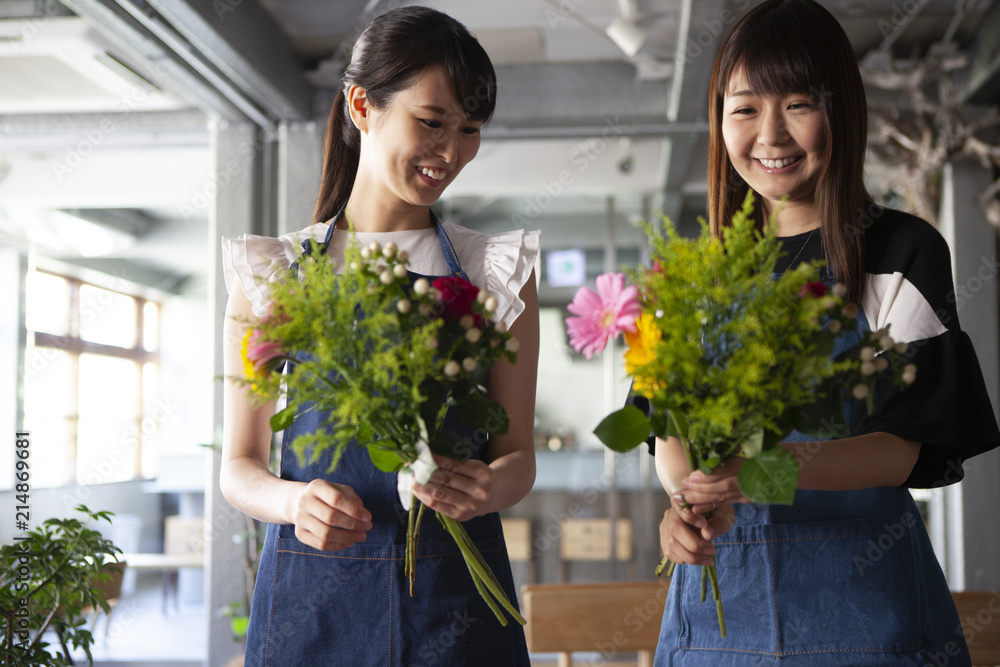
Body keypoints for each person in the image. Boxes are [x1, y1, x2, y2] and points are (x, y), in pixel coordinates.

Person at [653, 1, 1000, 664]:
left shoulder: (900, 252)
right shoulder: (699, 273)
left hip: (869, 613)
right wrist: (684, 503)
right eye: (745, 107)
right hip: (721, 621)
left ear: (841, 110)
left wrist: (758, 472)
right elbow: (670, 432)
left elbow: (901, 448)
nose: (771, 135)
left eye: (799, 104)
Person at [219, 7, 538, 665]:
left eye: (470, 129)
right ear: (362, 104)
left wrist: (486, 486)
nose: (451, 151)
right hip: (313, 605)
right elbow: (239, 465)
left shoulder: (495, 271)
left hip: (458, 605)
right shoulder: (273, 273)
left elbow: (518, 456)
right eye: (431, 121)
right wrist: (293, 500)